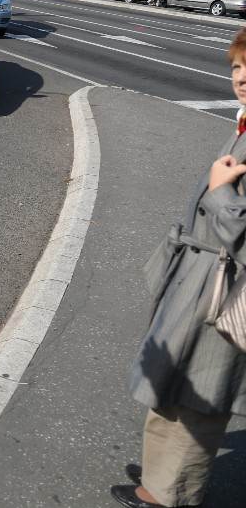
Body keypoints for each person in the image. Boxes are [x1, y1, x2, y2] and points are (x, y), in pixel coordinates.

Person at [112, 27, 246, 508]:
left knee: (200, 396)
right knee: (174, 382)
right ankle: (159, 471)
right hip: (203, 274)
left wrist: (221, 191)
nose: (242, 77)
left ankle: (169, 494)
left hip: (224, 290)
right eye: (236, 66)